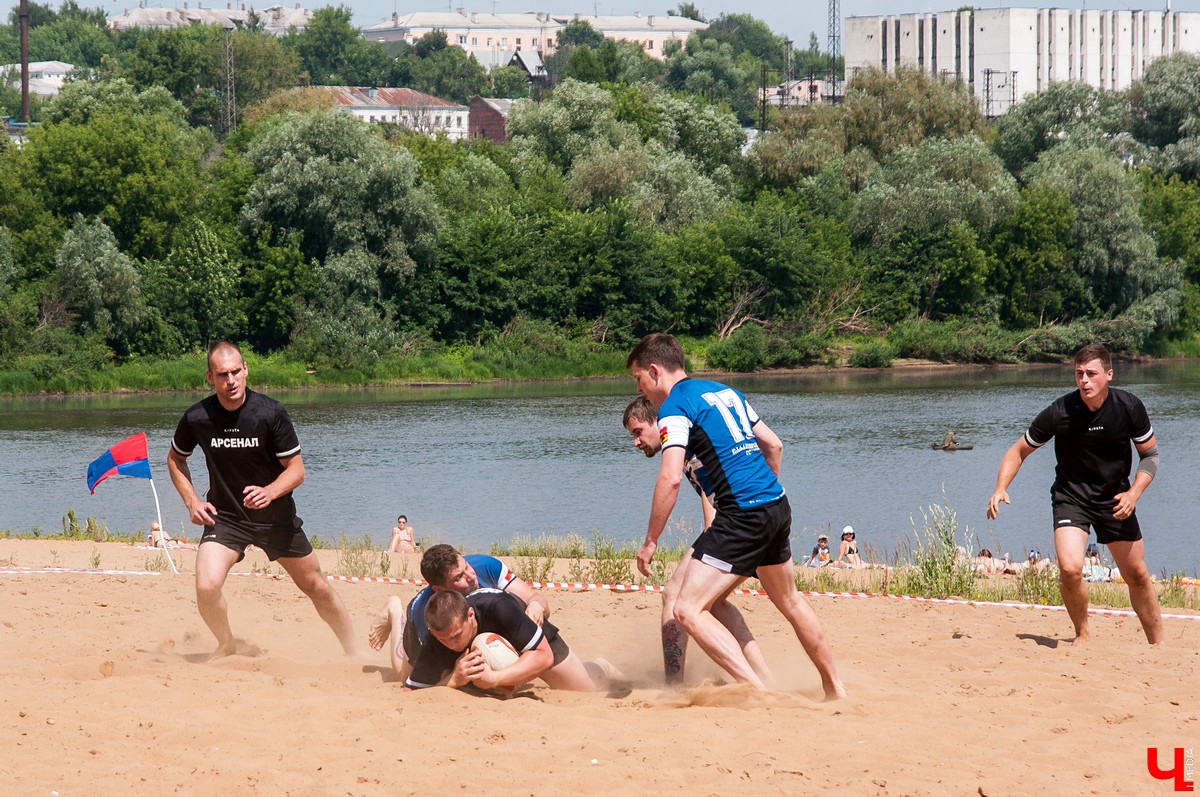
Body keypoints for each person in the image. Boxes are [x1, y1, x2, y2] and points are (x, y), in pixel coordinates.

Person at [627, 333, 845, 697]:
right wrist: (761, 490)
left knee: (686, 608)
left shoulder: (674, 408)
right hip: (776, 504)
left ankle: (758, 691)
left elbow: (670, 478)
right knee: (790, 602)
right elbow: (774, 445)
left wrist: (650, 542)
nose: (640, 388)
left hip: (742, 515)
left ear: (654, 370)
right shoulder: (725, 391)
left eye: (638, 379)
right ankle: (835, 688)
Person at [166, 341, 358, 657]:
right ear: (210, 378)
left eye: (236, 372)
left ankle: (354, 652)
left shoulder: (270, 414)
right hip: (226, 518)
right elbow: (175, 459)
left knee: (316, 587)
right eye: (222, 374)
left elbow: (297, 470)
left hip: (276, 518)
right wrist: (192, 502)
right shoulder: (197, 417)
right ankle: (227, 644)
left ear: (246, 371)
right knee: (206, 586)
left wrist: (269, 491)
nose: (231, 380)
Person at [986, 343, 1163, 645]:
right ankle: (1082, 634)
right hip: (1071, 498)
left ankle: (1157, 644)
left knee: (1136, 574)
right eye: (1079, 373)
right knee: (1069, 568)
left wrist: (1134, 493)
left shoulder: (1129, 407)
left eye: (1091, 374)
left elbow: (1151, 457)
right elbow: (1018, 451)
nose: (1084, 380)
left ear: (1109, 374)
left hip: (1117, 499)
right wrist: (1000, 488)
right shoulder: (1060, 411)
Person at [623, 396, 772, 687]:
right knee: (715, 604)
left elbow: (712, 507)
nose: (636, 442)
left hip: (735, 528)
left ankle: (675, 686)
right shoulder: (686, 443)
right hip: (758, 521)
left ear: (658, 422)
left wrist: (657, 542)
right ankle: (765, 678)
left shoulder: (690, 447)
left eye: (638, 431)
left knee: (674, 594)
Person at [368, 543, 550, 682]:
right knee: (401, 674)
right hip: (416, 625)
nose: (471, 576)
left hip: (477, 623)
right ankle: (394, 611)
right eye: (459, 577)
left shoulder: (486, 566)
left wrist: (535, 605)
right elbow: (437, 672)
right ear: (440, 589)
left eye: (466, 567)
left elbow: (537, 598)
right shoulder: (429, 615)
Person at [404, 589, 627, 695]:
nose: (451, 645)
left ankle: (601, 666)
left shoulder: (499, 608)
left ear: (470, 615)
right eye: (444, 640)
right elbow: (412, 694)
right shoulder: (438, 639)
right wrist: (453, 679)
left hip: (531, 639)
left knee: (584, 691)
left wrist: (493, 679)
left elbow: (544, 655)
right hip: (496, 658)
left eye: (455, 636)